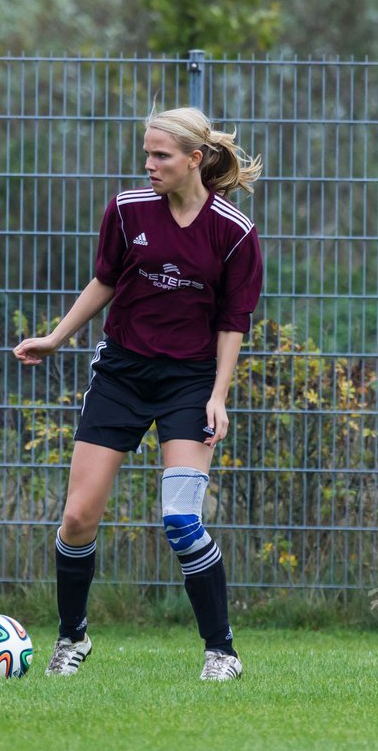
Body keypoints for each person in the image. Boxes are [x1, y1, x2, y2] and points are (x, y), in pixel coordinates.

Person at [14, 106, 263, 681]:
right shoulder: (127, 212)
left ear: (195, 160)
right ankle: (72, 639)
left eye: (161, 156)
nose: (149, 165)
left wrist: (218, 396)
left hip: (190, 385)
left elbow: (233, 323)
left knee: (181, 520)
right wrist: (56, 337)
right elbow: (105, 279)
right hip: (121, 376)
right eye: (146, 154)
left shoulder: (235, 231)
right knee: (77, 518)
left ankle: (221, 652)